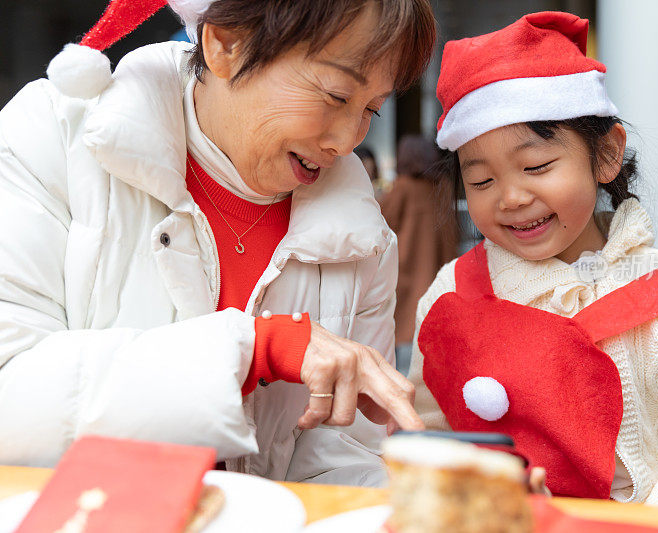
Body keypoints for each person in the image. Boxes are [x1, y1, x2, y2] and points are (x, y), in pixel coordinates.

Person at [0, 0, 435, 487]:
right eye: (336, 96)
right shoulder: (53, 137)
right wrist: (255, 349)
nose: (348, 140)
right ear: (226, 43)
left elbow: (343, 458)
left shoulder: (361, 236)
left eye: (372, 108)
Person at [407, 12, 658, 506]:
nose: (510, 198)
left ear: (605, 155)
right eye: (482, 181)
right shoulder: (452, 294)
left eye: (536, 166)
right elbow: (424, 433)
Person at [379, 135, 459, 374]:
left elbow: (383, 219)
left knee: (399, 320)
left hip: (405, 265)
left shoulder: (403, 186)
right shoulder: (442, 184)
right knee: (428, 316)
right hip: (437, 263)